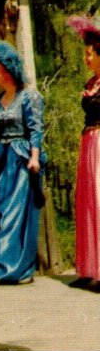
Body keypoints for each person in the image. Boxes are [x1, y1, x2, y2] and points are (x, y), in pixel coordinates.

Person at [0, 41, 45, 286]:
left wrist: (34, 158)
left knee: (15, 213)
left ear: (8, 70)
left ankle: (16, 270)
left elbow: (35, 130)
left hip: (22, 158)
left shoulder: (29, 97)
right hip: (2, 159)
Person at [67, 14, 100, 288]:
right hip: (89, 144)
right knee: (88, 203)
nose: (86, 58)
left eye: (90, 54)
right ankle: (89, 268)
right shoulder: (90, 84)